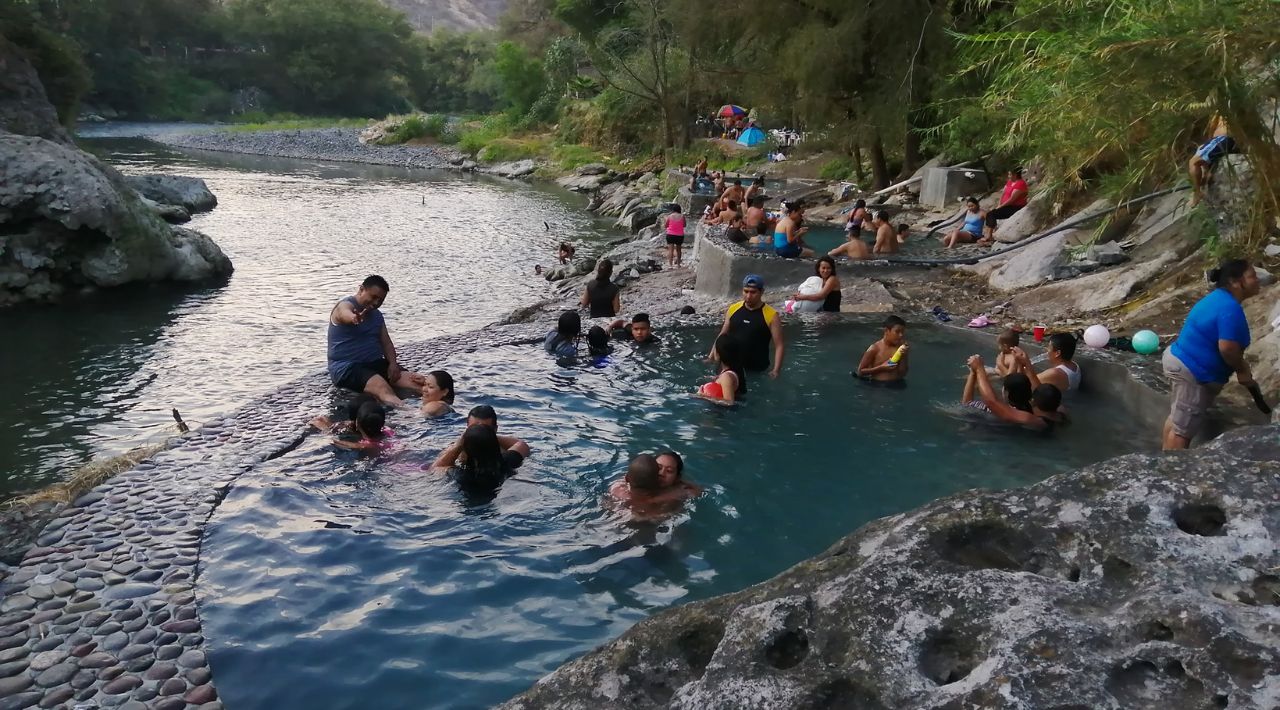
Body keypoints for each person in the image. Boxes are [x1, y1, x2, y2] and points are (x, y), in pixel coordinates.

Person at [1161, 259, 1261, 449]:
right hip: (1192, 371)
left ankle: (1162, 463)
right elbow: (1227, 348)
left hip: (1179, 360)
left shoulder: (1218, 298)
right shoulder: (1229, 308)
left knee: (1177, 421)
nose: (1258, 280)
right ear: (1234, 282)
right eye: (1252, 276)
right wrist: (1241, 369)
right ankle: (1172, 475)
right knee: (1182, 431)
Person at [327, 275, 425, 407]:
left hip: (375, 363)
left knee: (419, 383)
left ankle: (439, 406)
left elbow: (386, 343)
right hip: (348, 368)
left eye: (381, 300)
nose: (376, 303)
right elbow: (344, 313)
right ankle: (411, 416)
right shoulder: (345, 305)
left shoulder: (377, 315)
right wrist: (353, 317)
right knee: (383, 388)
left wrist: (393, 364)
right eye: (373, 297)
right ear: (361, 290)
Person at [709, 274, 785, 378]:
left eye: (753, 292)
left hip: (757, 369)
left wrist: (776, 370)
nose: (748, 296)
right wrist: (711, 356)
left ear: (761, 292)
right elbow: (722, 335)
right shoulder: (733, 309)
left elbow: (779, 345)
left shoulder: (771, 315)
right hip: (731, 367)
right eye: (746, 291)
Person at [965, 355, 1064, 431]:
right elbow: (1041, 392)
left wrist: (978, 370)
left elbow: (990, 402)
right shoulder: (1060, 410)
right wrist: (1026, 364)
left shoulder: (1030, 419)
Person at [431, 424, 526, 494]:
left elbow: (435, 467)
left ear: (466, 451)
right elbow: (521, 444)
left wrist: (458, 446)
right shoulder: (509, 461)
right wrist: (487, 437)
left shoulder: (461, 475)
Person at [309, 393, 391, 452]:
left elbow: (334, 442)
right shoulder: (388, 431)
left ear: (356, 424)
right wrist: (331, 425)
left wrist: (325, 429)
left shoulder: (368, 445)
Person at [462, 405, 531, 467]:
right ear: (467, 427)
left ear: (495, 429)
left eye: (485, 429)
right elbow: (521, 445)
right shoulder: (505, 462)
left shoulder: (455, 456)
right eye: (474, 428)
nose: (478, 432)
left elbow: (522, 445)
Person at [1189, 116, 1234, 207]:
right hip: (1215, 141)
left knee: (1194, 162)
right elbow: (1212, 128)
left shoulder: (1227, 111)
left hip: (1222, 139)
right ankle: (1206, 172)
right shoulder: (1218, 113)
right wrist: (1208, 143)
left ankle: (1198, 192)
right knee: (1194, 160)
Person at [857, 315, 909, 381]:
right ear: (886, 330)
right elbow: (860, 372)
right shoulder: (875, 348)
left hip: (897, 385)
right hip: (878, 387)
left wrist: (904, 356)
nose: (901, 335)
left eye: (902, 332)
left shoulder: (900, 348)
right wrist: (881, 368)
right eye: (897, 331)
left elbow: (902, 373)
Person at [698, 334, 746, 403]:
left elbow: (729, 402)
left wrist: (703, 396)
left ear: (718, 355)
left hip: (722, 412)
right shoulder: (737, 368)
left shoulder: (726, 377)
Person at [983, 169, 1029, 242]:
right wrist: (999, 204)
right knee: (990, 214)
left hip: (1015, 207)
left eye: (1010, 174)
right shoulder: (1010, 182)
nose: (1008, 176)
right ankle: (989, 234)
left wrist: (1001, 207)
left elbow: (1012, 199)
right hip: (1006, 206)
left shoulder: (1020, 184)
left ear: (1015, 175)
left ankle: (989, 236)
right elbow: (1003, 194)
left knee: (992, 214)